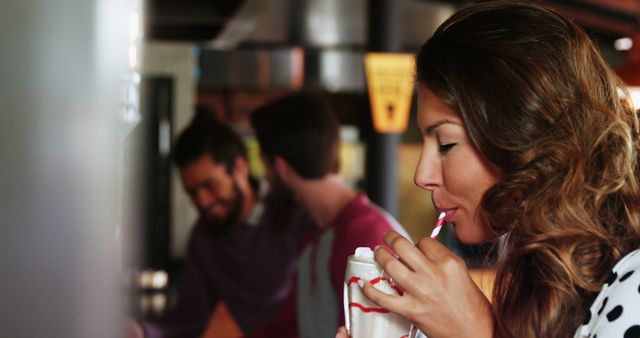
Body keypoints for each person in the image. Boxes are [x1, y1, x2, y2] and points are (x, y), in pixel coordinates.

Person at [335, 2, 640, 338]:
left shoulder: (634, 282)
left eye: (447, 144)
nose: (421, 176)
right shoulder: (544, 286)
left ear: (527, 136)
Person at [248, 92, 410, 338]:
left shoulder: (366, 237)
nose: (266, 179)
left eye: (264, 164)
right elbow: (285, 327)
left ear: (280, 167)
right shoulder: (316, 232)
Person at [144, 114, 313, 337]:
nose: (202, 201)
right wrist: (142, 331)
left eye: (210, 185)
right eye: (192, 192)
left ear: (240, 169)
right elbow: (188, 318)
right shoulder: (204, 237)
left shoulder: (294, 216)